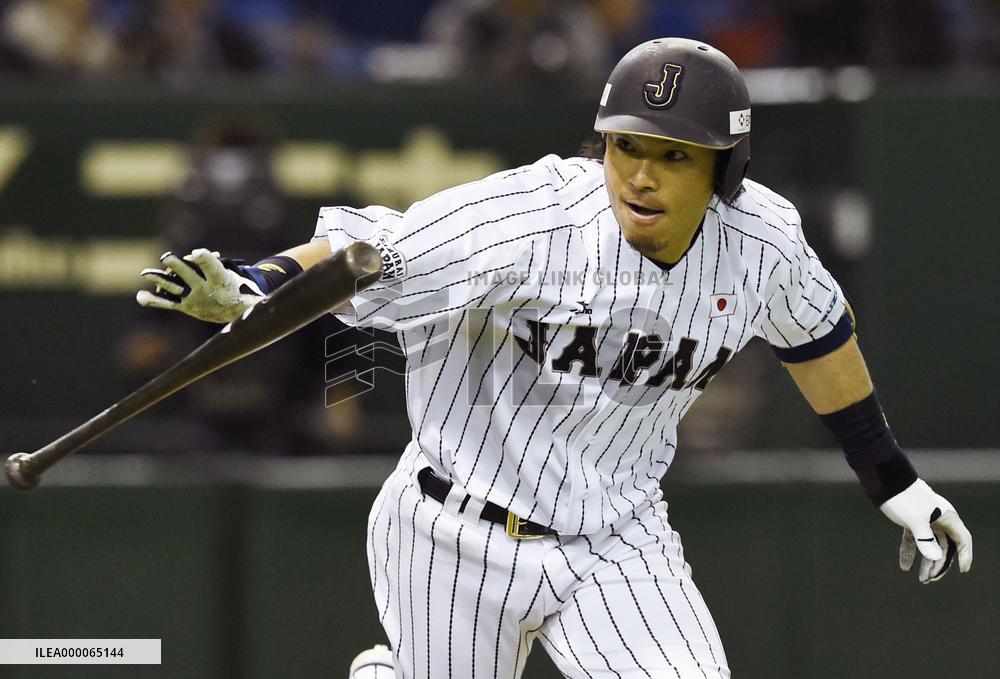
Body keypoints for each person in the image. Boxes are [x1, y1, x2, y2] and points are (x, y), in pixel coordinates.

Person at [137, 38, 973, 679]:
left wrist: (892, 479)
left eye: (674, 155)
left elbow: (818, 337)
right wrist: (257, 284)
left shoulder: (762, 243)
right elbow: (369, 251)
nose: (640, 175)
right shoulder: (532, 217)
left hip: (616, 535)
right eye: (626, 146)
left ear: (726, 169)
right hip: (452, 529)